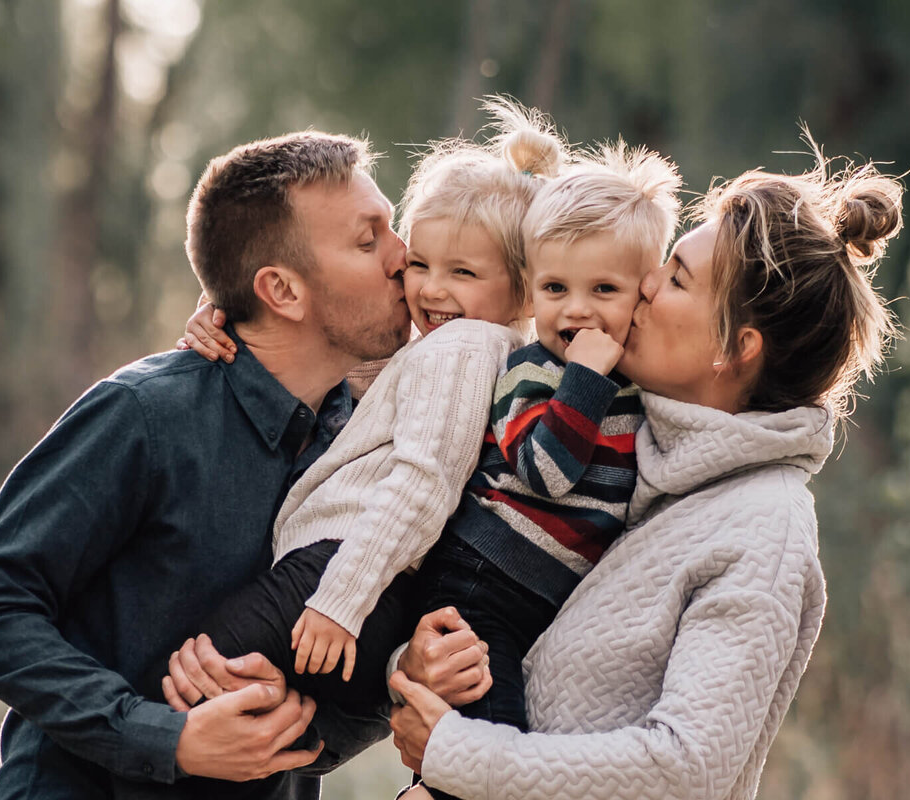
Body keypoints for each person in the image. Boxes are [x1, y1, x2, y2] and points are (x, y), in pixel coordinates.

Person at [167, 102, 681, 787]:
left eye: (462, 274)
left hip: (343, 571)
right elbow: (347, 370)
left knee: (182, 693)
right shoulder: (466, 349)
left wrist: (338, 602)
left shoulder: (469, 348)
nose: (432, 289)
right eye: (421, 263)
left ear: (523, 287)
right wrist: (232, 314)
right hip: (380, 586)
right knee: (256, 730)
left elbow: (424, 479)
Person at [388, 145, 904, 800]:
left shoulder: (763, 534)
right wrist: (414, 664)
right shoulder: (622, 444)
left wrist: (458, 756)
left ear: (734, 348)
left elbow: (687, 767)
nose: (646, 284)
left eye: (678, 278)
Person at [0, 130, 413, 800]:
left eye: (392, 229)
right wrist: (166, 736)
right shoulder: (146, 415)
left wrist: (301, 723)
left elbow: (364, 682)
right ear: (281, 289)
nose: (404, 257)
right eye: (369, 241)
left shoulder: (381, 447)